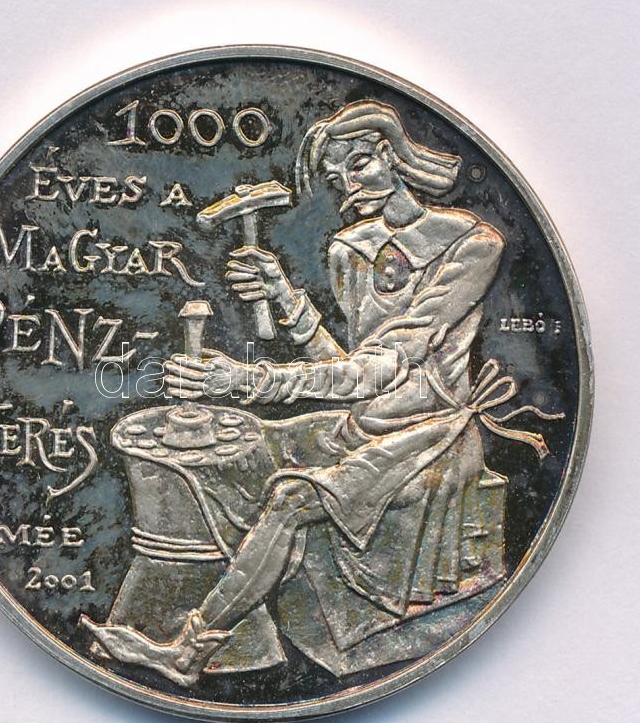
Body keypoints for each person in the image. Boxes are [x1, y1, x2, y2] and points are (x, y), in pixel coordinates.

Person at [83, 101, 551, 686]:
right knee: (247, 447)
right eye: (336, 176)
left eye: (358, 164)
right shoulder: (349, 249)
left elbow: (379, 370)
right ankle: (238, 628)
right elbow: (344, 368)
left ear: (391, 154)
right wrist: (286, 298)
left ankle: (188, 650)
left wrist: (247, 380)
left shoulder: (472, 246)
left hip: (428, 442)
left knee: (291, 499)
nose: (348, 185)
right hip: (360, 426)